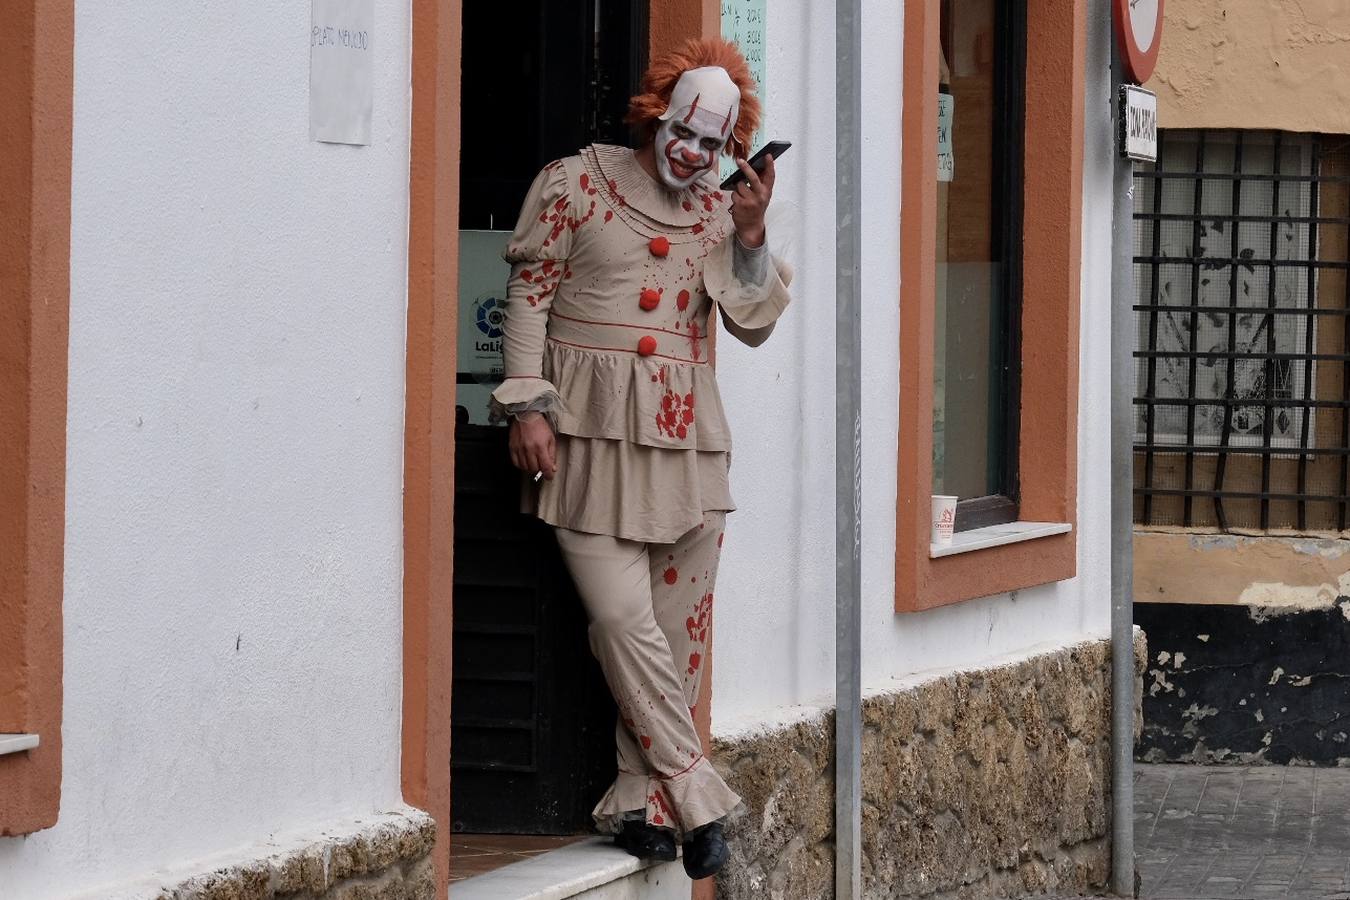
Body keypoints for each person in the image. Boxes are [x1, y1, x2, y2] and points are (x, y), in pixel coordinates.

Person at [490, 37, 791, 881]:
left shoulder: (719, 211)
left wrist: (753, 232)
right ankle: (697, 795)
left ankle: (639, 801)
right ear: (657, 112)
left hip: (689, 443)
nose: (692, 154)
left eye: (712, 144)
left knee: (677, 635)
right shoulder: (576, 181)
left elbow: (755, 325)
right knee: (623, 622)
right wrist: (526, 398)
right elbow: (530, 289)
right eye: (682, 133)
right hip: (586, 437)